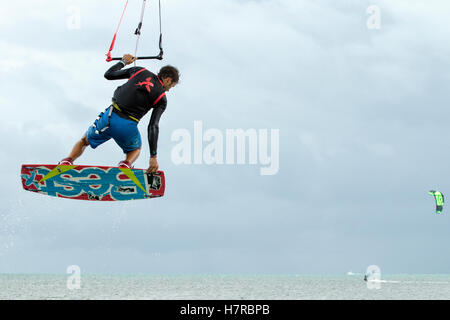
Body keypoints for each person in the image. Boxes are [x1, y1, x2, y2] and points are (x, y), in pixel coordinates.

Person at [59, 54, 179, 173]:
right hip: (127, 127)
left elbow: (109, 75)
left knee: (84, 141)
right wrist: (153, 156)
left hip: (109, 118)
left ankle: (68, 161)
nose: (168, 89)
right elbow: (153, 126)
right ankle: (125, 165)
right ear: (167, 79)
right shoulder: (162, 99)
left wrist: (123, 62)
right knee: (135, 149)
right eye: (171, 86)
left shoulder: (139, 70)